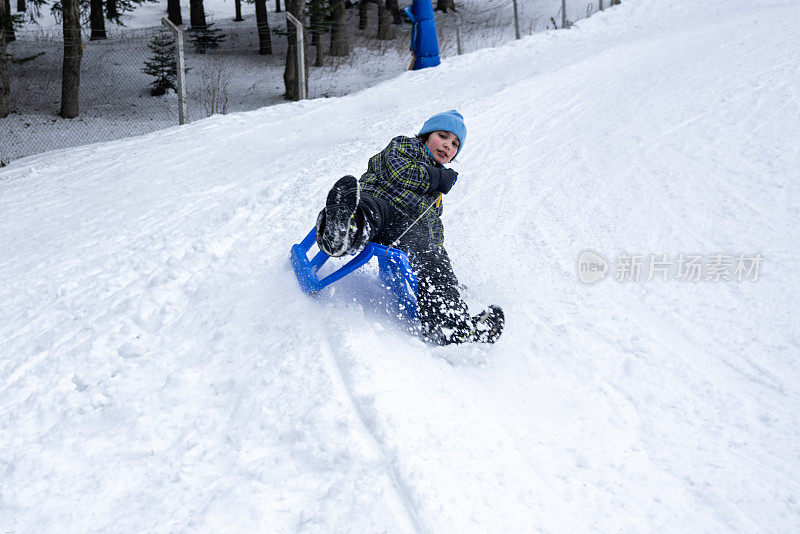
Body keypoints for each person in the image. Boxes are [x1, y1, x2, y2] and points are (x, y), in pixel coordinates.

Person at [314, 110, 504, 345]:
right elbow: (399, 172)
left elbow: (432, 224)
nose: (447, 145)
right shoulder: (406, 145)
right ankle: (343, 229)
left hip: (404, 231)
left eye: (455, 144)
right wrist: (436, 178)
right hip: (381, 203)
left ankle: (452, 324)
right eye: (442, 136)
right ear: (425, 135)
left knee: (430, 253)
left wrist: (442, 267)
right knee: (370, 209)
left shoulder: (437, 189)